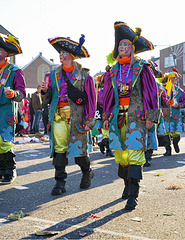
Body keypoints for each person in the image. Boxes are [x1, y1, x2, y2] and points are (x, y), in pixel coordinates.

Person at [103, 21, 160, 210]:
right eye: (121, 45)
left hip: (138, 116)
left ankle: (133, 194)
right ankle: (126, 186)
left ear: (133, 49)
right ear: (116, 48)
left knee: (136, 154)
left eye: (127, 45)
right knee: (121, 155)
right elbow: (108, 95)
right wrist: (105, 116)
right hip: (117, 117)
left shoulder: (143, 67)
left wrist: (152, 115)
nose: (124, 47)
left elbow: (151, 92)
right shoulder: (112, 70)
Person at [41, 35, 96, 195]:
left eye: (64, 53)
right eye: (60, 53)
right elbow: (48, 99)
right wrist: (45, 91)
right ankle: (60, 182)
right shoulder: (53, 75)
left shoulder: (85, 75)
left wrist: (89, 120)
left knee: (79, 151)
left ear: (71, 56)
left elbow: (92, 99)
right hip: (58, 115)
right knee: (59, 150)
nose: (61, 56)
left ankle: (87, 172)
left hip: (77, 117)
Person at [0, 34, 26, 184]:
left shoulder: (15, 71)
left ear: (7, 53)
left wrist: (13, 93)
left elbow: (21, 93)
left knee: (5, 142)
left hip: (7, 111)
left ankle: (9, 170)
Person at [160, 68, 185, 154]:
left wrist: (179, 105)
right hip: (165, 115)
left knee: (177, 134)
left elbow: (184, 101)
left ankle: (175, 143)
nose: (176, 79)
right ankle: (168, 149)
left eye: (177, 78)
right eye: (174, 78)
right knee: (165, 133)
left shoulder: (180, 91)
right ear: (169, 79)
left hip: (176, 115)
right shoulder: (163, 90)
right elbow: (159, 100)